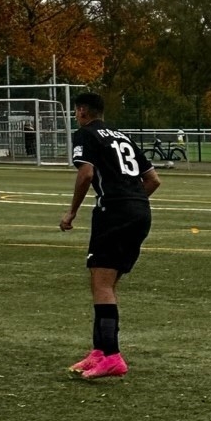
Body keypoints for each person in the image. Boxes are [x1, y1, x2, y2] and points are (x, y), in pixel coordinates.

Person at [59, 92, 159, 379]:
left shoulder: (86, 134)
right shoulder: (121, 136)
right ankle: (100, 351)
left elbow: (87, 174)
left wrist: (72, 212)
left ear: (81, 111)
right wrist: (132, 200)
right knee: (106, 284)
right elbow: (153, 179)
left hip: (113, 214)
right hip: (140, 212)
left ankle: (112, 356)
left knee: (101, 283)